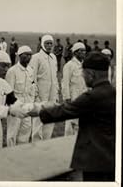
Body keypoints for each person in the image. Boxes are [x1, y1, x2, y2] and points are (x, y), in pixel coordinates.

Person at [28, 52, 115, 181]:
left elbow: (65, 111)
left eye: (84, 74)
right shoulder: (113, 93)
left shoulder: (92, 97)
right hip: (112, 157)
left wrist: (38, 111)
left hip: (95, 160)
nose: (83, 77)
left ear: (91, 74)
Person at [29, 34, 58, 141]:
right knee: (38, 119)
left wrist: (56, 92)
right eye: (47, 43)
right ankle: (36, 143)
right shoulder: (36, 57)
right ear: (42, 44)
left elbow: (55, 76)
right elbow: (32, 77)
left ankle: (46, 142)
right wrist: (36, 94)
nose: (49, 45)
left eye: (51, 43)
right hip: (40, 94)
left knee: (50, 117)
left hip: (52, 94)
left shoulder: (53, 57)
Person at [5, 46, 36, 146]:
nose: (29, 57)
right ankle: (10, 153)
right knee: (13, 131)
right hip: (16, 103)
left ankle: (22, 151)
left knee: (26, 130)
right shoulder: (12, 71)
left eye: (30, 55)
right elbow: (9, 91)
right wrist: (12, 107)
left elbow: (32, 88)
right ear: (19, 55)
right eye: (26, 54)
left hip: (27, 103)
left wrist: (31, 102)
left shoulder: (31, 70)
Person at [62, 42, 87, 136]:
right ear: (75, 52)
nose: (84, 53)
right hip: (73, 98)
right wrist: (67, 98)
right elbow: (65, 83)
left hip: (83, 98)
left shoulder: (84, 65)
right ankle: (67, 144)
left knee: (81, 123)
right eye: (81, 51)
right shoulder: (69, 65)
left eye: (85, 51)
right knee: (70, 123)